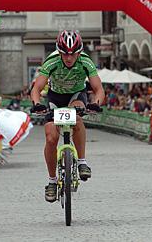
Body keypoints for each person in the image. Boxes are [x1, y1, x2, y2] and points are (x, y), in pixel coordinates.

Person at [30, 30, 105, 203]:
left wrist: (96, 103)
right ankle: (51, 181)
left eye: (73, 54)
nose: (69, 58)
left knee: (76, 116)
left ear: (79, 52)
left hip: (76, 96)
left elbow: (98, 88)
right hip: (55, 97)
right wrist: (36, 104)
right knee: (51, 138)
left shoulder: (85, 61)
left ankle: (82, 162)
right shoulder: (52, 61)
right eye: (64, 54)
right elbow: (36, 88)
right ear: (59, 51)